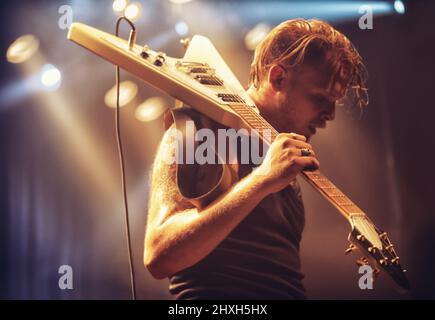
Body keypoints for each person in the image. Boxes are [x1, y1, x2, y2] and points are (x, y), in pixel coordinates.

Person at [144, 19, 367, 299]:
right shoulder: (197, 129)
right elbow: (159, 254)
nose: (330, 115)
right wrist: (262, 179)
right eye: (320, 98)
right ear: (278, 78)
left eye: (335, 102)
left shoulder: (284, 160)